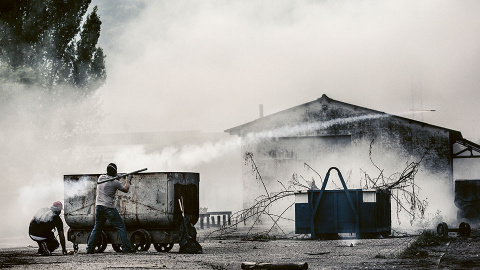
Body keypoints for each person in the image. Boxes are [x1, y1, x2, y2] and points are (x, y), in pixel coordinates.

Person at [86, 163, 135, 254]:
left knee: (97, 228)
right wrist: (128, 180)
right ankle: (126, 247)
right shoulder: (115, 183)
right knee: (120, 226)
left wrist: (117, 176)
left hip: (99, 206)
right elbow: (126, 189)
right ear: (114, 172)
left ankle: (90, 248)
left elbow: (113, 178)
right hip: (108, 207)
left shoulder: (101, 178)